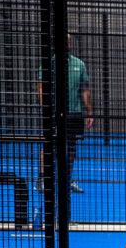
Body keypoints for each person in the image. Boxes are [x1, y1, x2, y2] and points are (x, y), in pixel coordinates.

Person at [37, 34, 92, 196]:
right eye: (64, 41)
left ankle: (67, 179)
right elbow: (41, 88)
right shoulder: (48, 64)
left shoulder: (79, 64)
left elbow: (85, 90)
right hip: (54, 112)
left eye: (68, 41)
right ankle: (42, 179)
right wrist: (46, 108)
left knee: (71, 146)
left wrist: (89, 112)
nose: (67, 44)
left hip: (73, 113)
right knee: (49, 144)